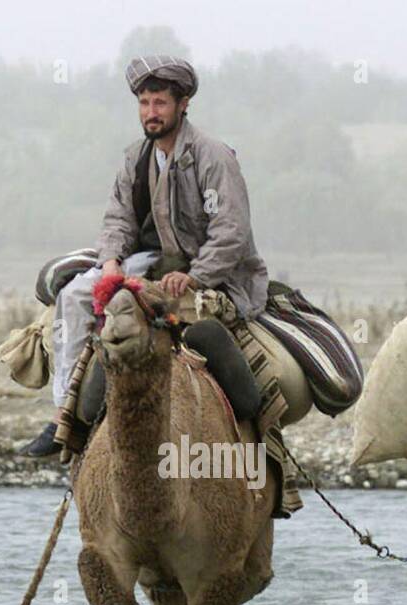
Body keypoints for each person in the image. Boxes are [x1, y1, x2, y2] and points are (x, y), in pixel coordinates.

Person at [20, 55, 269, 457]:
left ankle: (253, 440)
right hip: (153, 261)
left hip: (216, 274)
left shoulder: (213, 157)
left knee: (188, 323)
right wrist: (112, 262)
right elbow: (118, 219)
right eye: (144, 103)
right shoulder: (136, 157)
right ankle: (65, 414)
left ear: (183, 103)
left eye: (160, 103)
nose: (151, 113)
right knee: (75, 297)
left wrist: (196, 276)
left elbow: (231, 232)